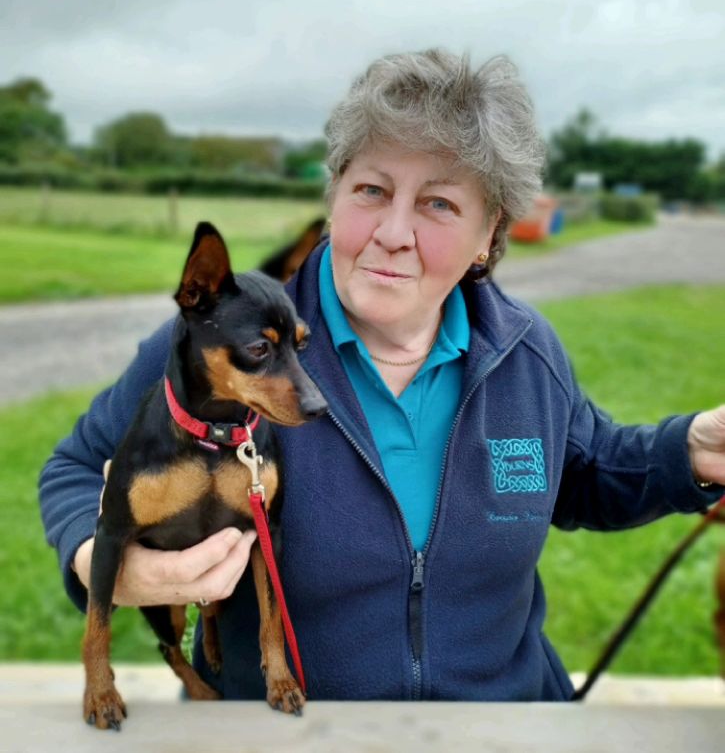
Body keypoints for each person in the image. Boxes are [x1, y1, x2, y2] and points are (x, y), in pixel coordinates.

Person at [39, 49, 725, 702]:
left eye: (438, 204)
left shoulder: (524, 352)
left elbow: (581, 471)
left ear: (489, 234)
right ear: (333, 194)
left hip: (505, 722)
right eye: (371, 189)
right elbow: (74, 470)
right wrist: (112, 563)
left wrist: (692, 449)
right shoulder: (225, 345)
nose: (392, 231)